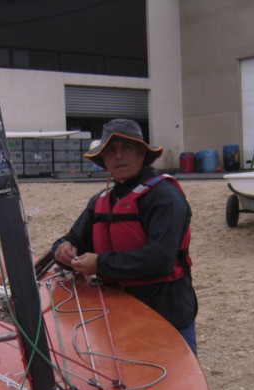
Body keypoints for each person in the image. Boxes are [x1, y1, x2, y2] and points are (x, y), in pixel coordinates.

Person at [51, 118, 199, 355]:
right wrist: (63, 248)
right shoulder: (100, 201)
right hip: (116, 311)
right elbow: (75, 238)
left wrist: (100, 264)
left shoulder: (165, 197)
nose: (118, 156)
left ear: (142, 153)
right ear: (104, 159)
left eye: (126, 148)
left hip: (166, 311)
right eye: (111, 151)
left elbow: (160, 259)